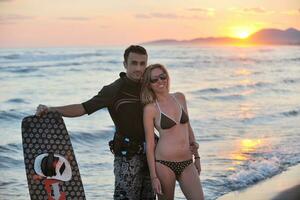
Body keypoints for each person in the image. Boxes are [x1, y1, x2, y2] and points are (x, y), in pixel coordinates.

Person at [35, 45, 156, 200]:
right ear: (125, 64)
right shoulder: (113, 90)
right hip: (127, 158)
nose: (138, 68)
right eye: (134, 63)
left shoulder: (149, 87)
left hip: (151, 156)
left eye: (142, 63)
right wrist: (52, 109)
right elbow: (83, 108)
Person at [141, 64, 204, 200]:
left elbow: (188, 128)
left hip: (187, 162)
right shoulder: (150, 109)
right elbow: (150, 145)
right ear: (149, 84)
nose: (160, 81)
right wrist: (154, 177)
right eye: (154, 79)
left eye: (162, 76)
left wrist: (197, 158)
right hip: (164, 164)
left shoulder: (179, 97)